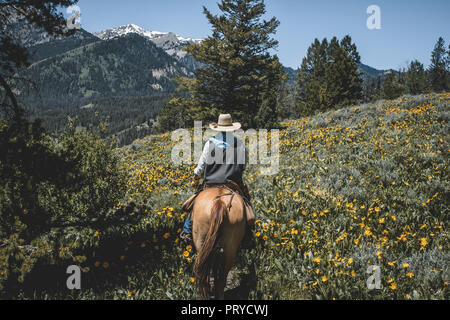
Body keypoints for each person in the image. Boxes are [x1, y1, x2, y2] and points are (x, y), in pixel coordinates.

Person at [179, 114, 255, 242]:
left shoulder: (210, 143)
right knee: (246, 203)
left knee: (193, 206)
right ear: (232, 129)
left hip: (211, 183)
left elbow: (201, 165)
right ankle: (248, 234)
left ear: (218, 129)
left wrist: (196, 177)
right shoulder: (240, 145)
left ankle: (187, 232)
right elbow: (243, 166)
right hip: (232, 184)